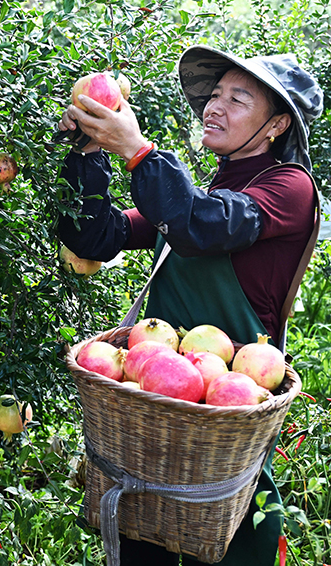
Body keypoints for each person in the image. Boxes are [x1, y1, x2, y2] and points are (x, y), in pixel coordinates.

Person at [56, 45, 323, 566]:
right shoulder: (201, 196)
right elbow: (96, 237)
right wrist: (88, 154)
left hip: (230, 413)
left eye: (238, 99)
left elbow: (202, 224)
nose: (215, 106)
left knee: (226, 542)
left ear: (276, 125)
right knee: (146, 537)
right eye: (215, 94)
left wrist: (138, 151)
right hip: (160, 404)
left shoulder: (289, 188)